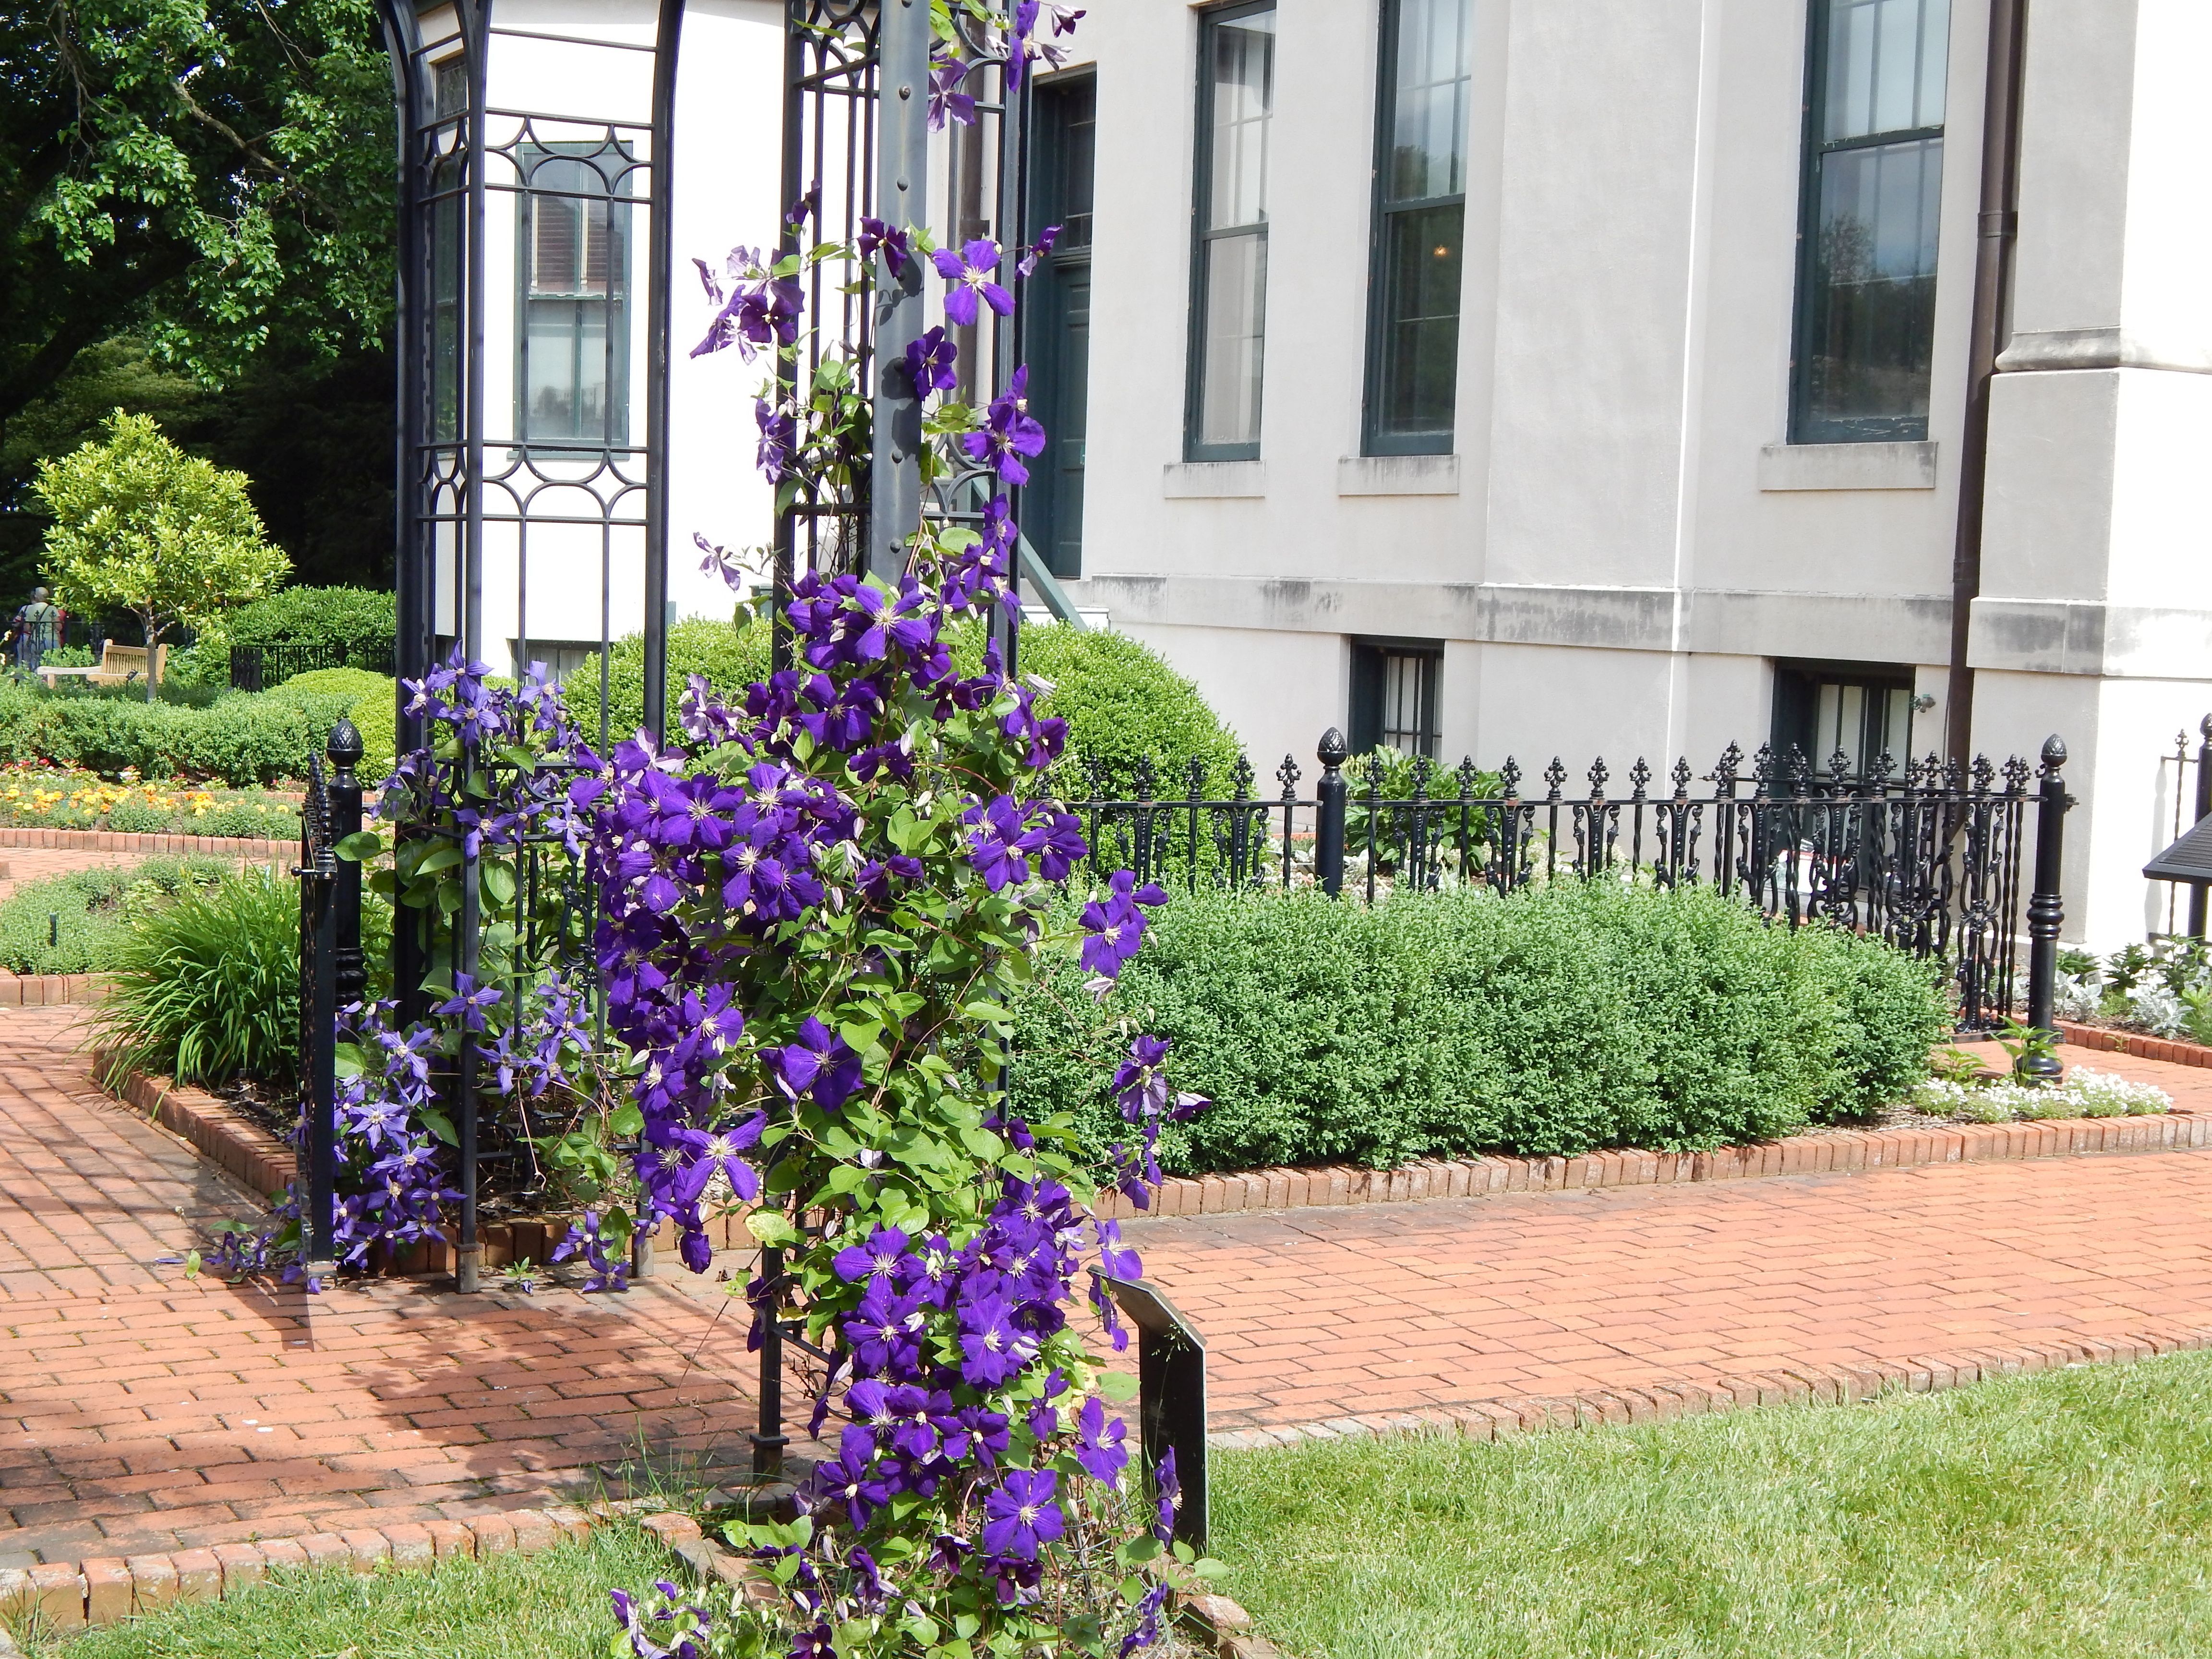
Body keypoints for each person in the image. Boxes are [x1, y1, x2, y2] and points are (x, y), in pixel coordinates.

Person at [4, 588, 61, 675]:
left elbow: (26, 628)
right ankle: (51, 685)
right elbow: (59, 627)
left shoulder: (29, 609)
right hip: (51, 639)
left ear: (36, 597)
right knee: (53, 665)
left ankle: (32, 684)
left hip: (34, 640)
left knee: (33, 664)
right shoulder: (52, 609)